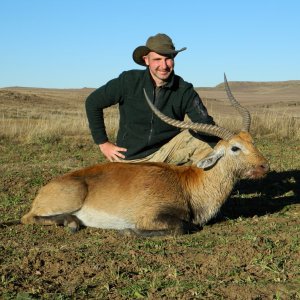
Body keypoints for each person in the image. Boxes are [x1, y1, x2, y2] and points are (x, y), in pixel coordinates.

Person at [85, 33, 219, 165]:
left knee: (206, 141)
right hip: (128, 157)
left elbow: (206, 124)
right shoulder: (128, 81)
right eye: (157, 59)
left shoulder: (184, 90)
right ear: (146, 60)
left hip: (166, 155)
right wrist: (103, 143)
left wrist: (230, 142)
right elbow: (92, 102)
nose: (164, 65)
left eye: (168, 58)